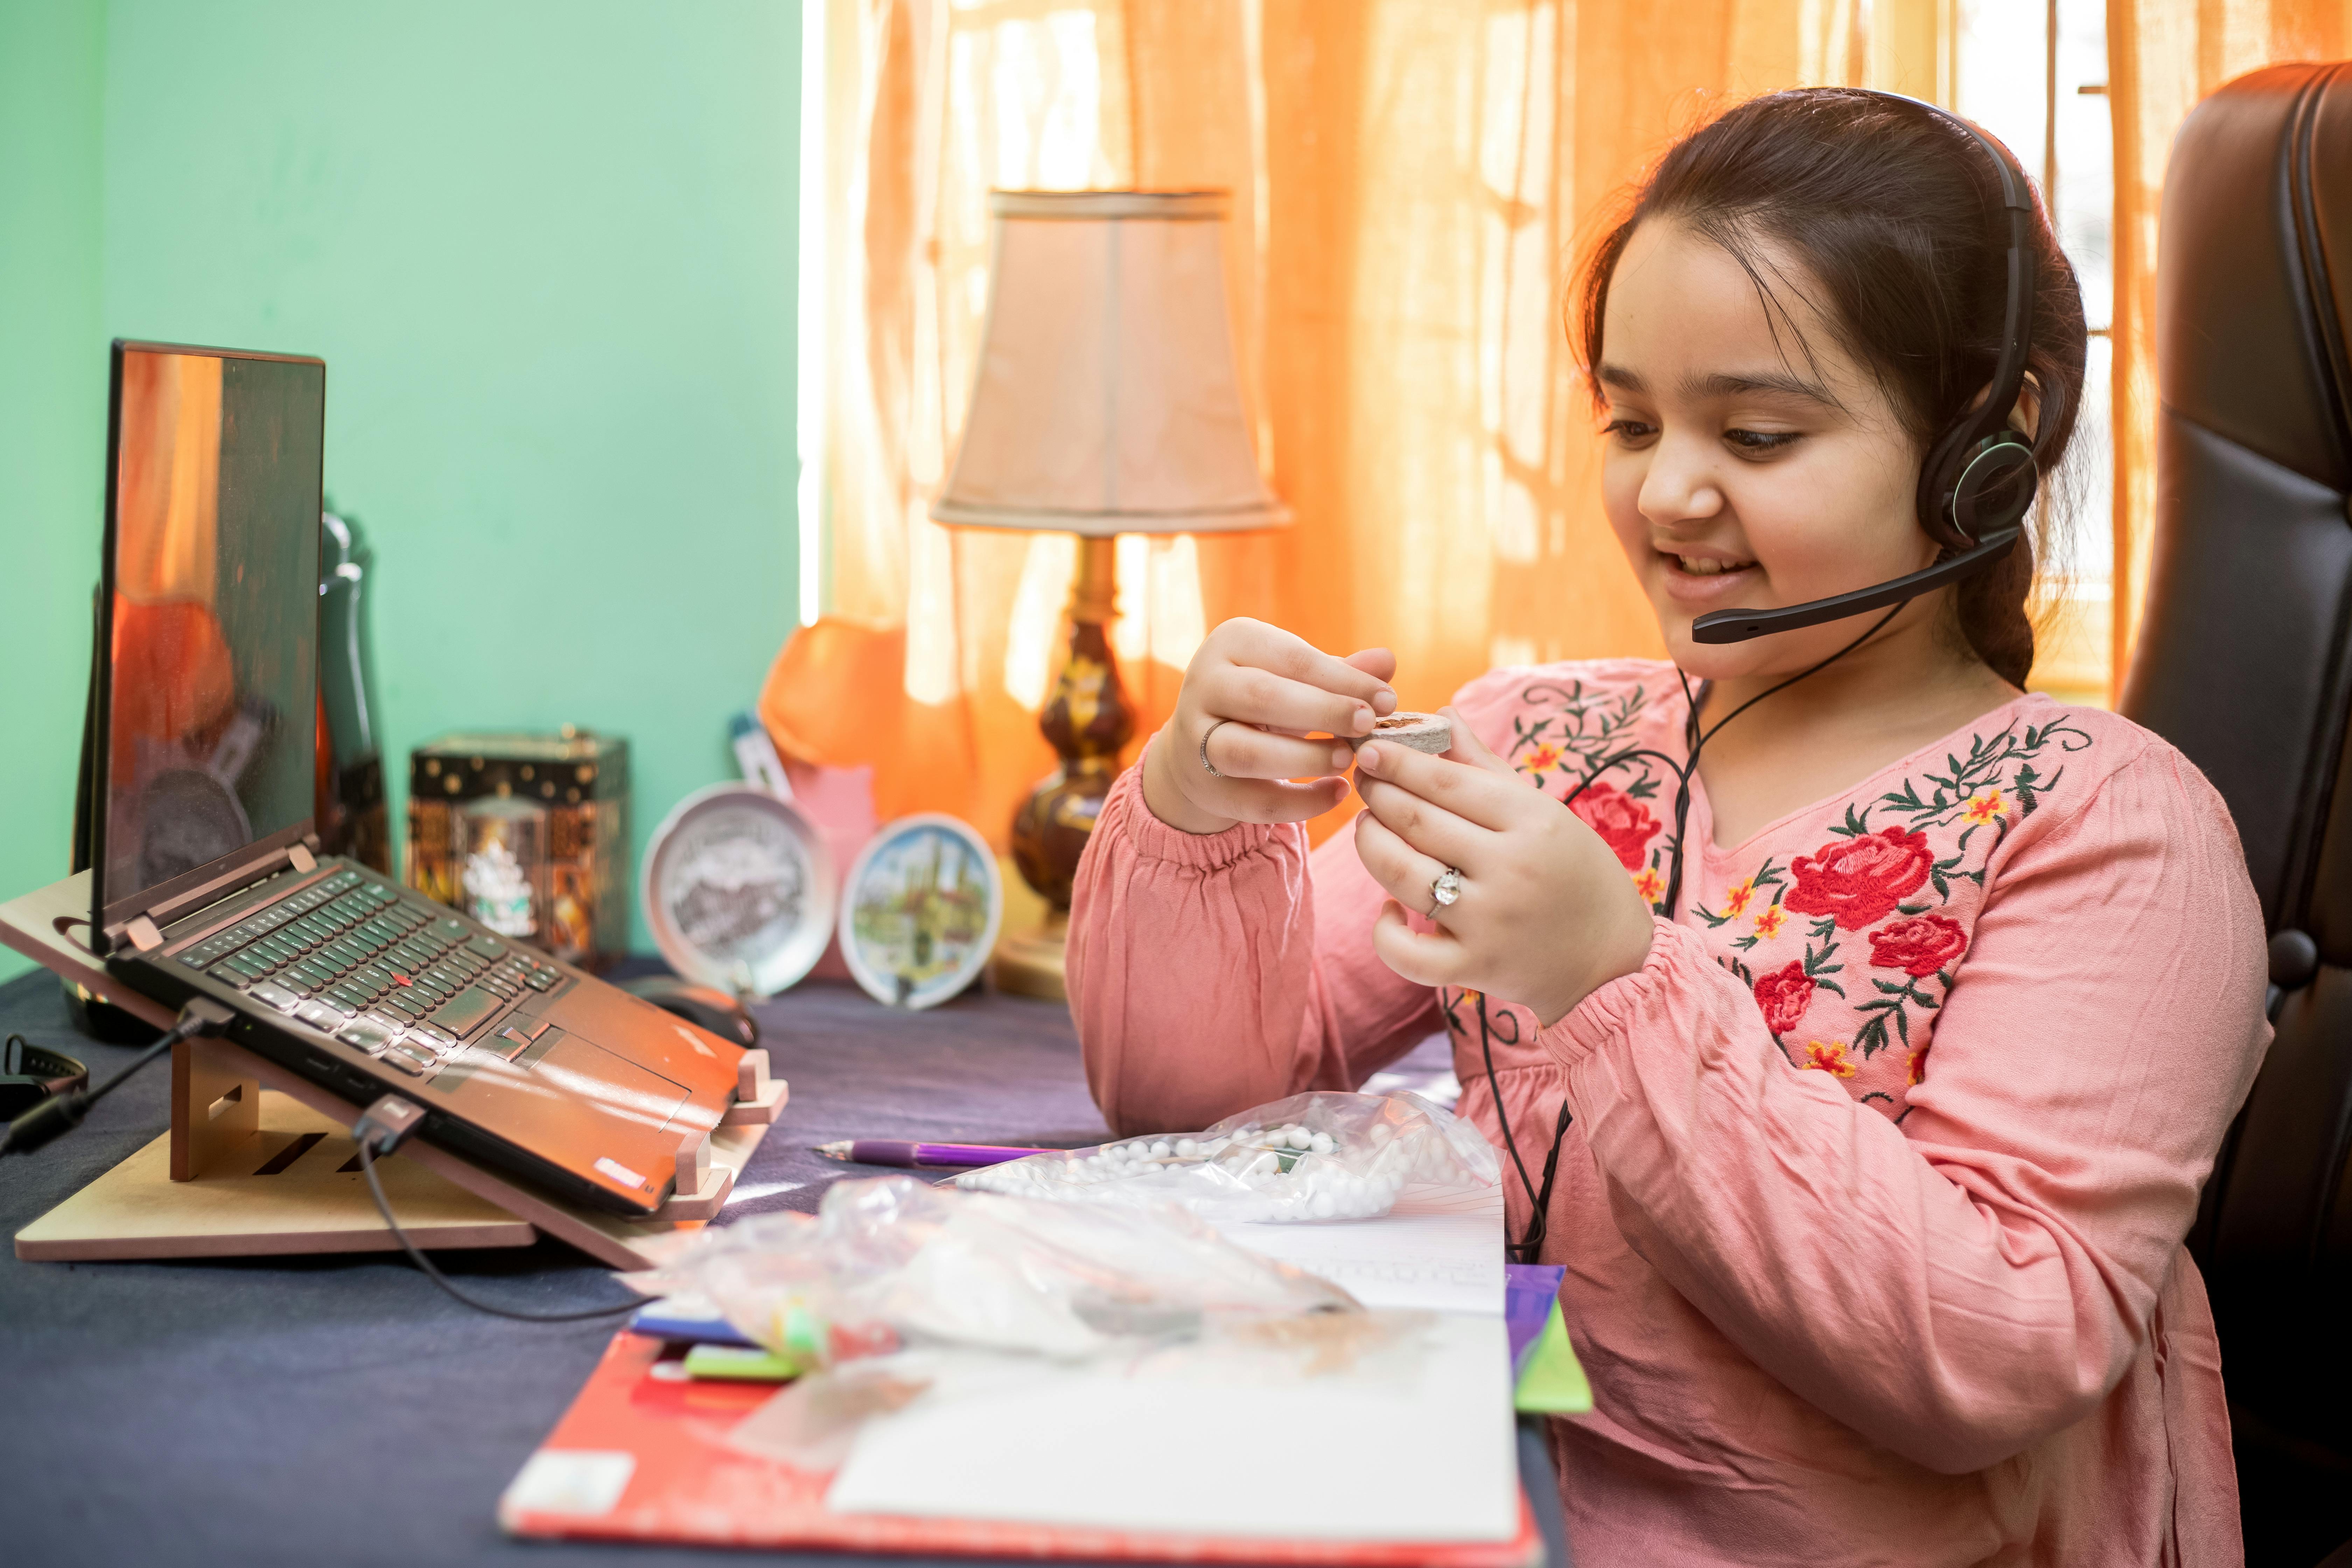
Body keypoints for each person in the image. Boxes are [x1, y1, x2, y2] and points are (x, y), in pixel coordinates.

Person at [1065, 88, 2269, 1567]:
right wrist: (1201, 801)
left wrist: (1612, 980)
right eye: (1631, 421)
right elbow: (1199, 1111)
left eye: (1758, 433)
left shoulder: (2112, 825)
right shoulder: (1541, 740)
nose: (1668, 490)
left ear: (1992, 444)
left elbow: (1999, 1354)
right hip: (1492, 1501)